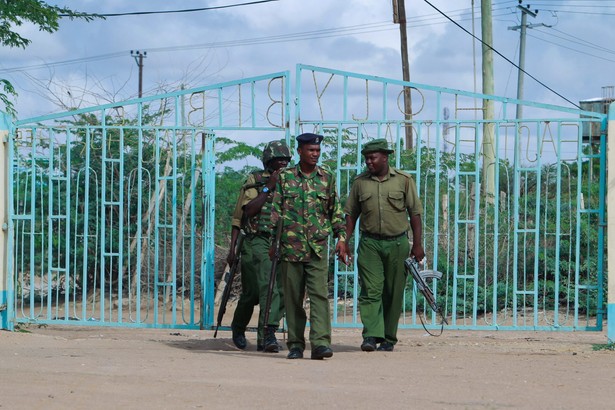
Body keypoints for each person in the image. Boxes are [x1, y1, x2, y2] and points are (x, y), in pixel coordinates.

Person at [269, 132, 347, 360]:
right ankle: (295, 344)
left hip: (317, 248)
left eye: (318, 151)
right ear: (300, 151)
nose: (315, 154)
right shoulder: (285, 178)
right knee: (293, 298)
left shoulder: (327, 178)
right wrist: (274, 243)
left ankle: (321, 343)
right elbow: (276, 213)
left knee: (319, 296)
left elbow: (336, 211)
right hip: (290, 248)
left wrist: (341, 238)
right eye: (311, 150)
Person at [343, 138, 425, 352]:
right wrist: (345, 241)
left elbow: (414, 213)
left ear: (385, 157)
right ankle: (371, 335)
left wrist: (417, 244)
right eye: (366, 158)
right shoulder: (360, 182)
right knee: (371, 290)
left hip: (397, 243)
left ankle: (388, 337)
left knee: (393, 291)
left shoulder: (404, 180)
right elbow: (351, 214)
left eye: (373, 158)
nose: (369, 162)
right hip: (370, 244)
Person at [226, 140, 292, 353]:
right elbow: (244, 214)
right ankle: (239, 327)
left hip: (283, 241)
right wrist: (268, 187)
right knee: (256, 291)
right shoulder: (255, 181)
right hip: (257, 241)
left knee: (278, 291)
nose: (283, 163)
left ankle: (267, 335)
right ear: (268, 161)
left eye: (286, 160)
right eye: (278, 160)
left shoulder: (292, 181)